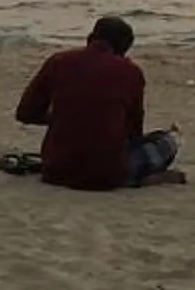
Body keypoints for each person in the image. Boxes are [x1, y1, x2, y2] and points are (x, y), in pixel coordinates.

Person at [12, 15, 181, 190]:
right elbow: (133, 131)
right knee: (168, 140)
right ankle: (140, 179)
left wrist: (65, 116)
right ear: (124, 49)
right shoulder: (131, 71)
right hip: (106, 176)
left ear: (90, 38)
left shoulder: (58, 61)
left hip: (55, 170)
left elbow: (25, 113)